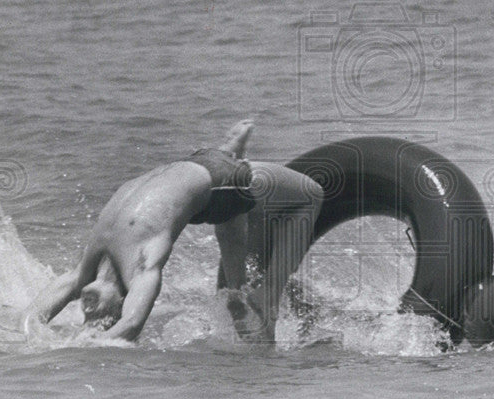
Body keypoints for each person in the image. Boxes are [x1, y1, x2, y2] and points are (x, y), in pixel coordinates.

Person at [24, 121, 258, 341]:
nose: (89, 312)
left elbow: (132, 323)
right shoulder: (86, 271)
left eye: (101, 318)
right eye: (98, 317)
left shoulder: (140, 268)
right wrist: (26, 329)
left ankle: (237, 300)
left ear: (125, 300)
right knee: (210, 208)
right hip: (195, 164)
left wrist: (85, 346)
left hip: (223, 178)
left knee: (231, 237)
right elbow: (31, 318)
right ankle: (230, 151)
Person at [213, 128, 324, 343]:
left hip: (240, 189)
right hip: (245, 186)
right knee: (242, 288)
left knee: (237, 289)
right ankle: (265, 303)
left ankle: (261, 305)